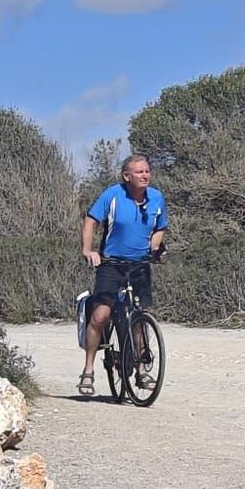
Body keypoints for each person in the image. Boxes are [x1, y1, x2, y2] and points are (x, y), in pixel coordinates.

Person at [79, 154, 169, 394]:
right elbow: (90, 221)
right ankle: (88, 369)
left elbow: (160, 226)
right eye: (139, 172)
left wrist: (155, 248)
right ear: (126, 176)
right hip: (111, 264)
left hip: (139, 264)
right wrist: (88, 251)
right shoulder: (112, 195)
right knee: (100, 315)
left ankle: (141, 371)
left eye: (147, 171)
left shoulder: (157, 198)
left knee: (142, 316)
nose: (145, 175)